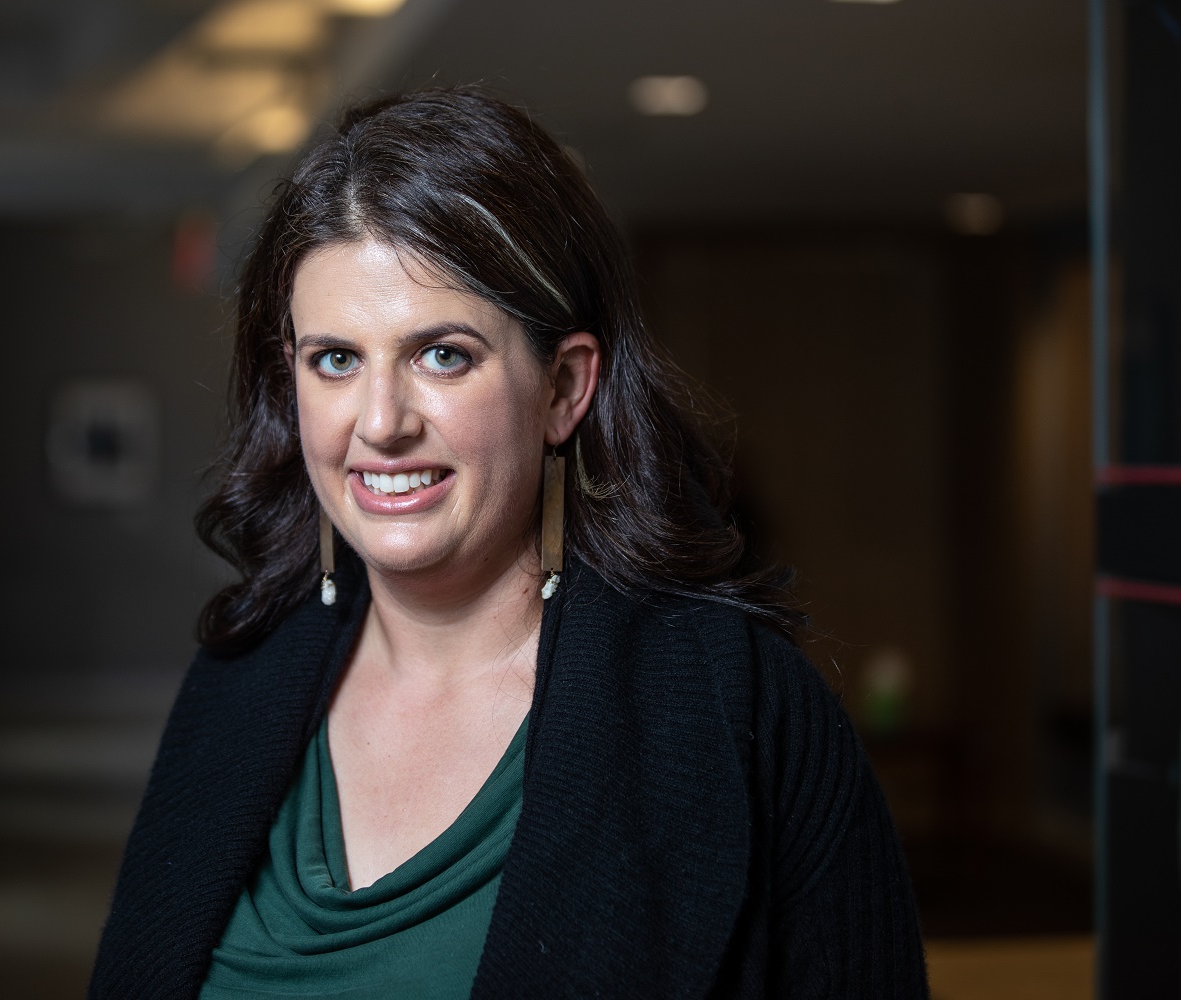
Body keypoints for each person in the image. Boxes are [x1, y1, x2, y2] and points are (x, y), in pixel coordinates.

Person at [90, 87, 928, 999]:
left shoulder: (743, 715)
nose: (380, 423)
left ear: (565, 389)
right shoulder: (239, 681)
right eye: (335, 359)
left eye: (442, 354)